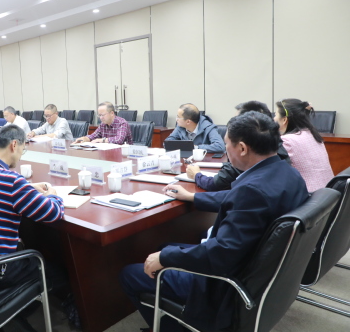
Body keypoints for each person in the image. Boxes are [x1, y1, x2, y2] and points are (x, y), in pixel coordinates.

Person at [119, 112, 309, 332]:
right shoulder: (287, 173)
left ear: (242, 148)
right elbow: (240, 198)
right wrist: (193, 197)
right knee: (165, 247)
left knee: (130, 273)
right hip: (261, 272)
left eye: (227, 144)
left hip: (223, 283)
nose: (226, 149)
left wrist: (165, 257)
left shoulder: (252, 191)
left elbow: (221, 254)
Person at [0, 123, 64, 284]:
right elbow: (53, 212)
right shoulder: (12, 181)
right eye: (23, 149)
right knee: (59, 273)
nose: (21, 155)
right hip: (0, 269)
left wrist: (27, 187)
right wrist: (53, 195)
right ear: (14, 145)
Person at [186, 100, 290, 191]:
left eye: (238, 120)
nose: (234, 123)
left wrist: (197, 176)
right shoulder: (285, 164)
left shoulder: (248, 164)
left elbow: (219, 187)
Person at [274, 99, 333, 192]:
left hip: (308, 196)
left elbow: (274, 172)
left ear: (284, 119)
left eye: (276, 115)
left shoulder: (286, 141)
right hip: (328, 193)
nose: (274, 119)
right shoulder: (313, 135)